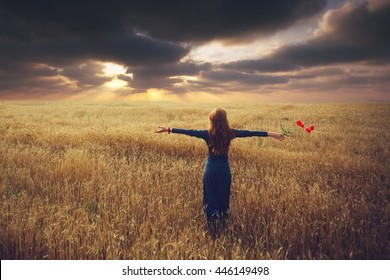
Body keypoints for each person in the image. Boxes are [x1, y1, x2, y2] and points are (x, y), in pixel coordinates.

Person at [155, 108, 285, 227]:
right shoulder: (231, 133)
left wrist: (168, 129)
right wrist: (273, 134)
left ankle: (212, 221)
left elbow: (188, 132)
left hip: (210, 170)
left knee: (210, 195)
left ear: (212, 121)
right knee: (223, 195)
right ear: (225, 121)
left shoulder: (207, 134)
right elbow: (251, 133)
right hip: (224, 170)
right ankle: (223, 220)